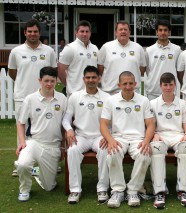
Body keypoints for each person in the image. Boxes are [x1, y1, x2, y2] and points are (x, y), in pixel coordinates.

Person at [8, 19, 57, 177]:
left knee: (47, 128)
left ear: (39, 32)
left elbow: (53, 72)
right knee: (21, 128)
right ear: (25, 33)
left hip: (44, 97)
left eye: (35, 31)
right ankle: (21, 162)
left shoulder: (48, 51)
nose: (32, 34)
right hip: (22, 96)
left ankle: (50, 161)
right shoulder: (16, 51)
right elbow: (12, 73)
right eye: (29, 31)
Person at [100, 71, 154, 208]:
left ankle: (132, 191)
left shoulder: (144, 100)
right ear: (119, 85)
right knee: (112, 153)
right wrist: (110, 140)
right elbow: (103, 124)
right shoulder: (111, 101)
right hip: (119, 138)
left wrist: (146, 141)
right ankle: (117, 191)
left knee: (145, 155)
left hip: (138, 139)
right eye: (125, 84)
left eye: (131, 83)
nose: (128, 86)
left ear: (136, 84)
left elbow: (150, 124)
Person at [15, 67, 67, 202]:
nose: (49, 84)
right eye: (46, 81)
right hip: (34, 142)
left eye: (52, 81)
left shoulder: (62, 99)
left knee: (49, 187)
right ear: (40, 81)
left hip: (53, 146)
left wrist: (62, 146)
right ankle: (24, 190)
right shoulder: (30, 99)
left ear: (56, 81)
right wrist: (22, 142)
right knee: (22, 164)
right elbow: (20, 123)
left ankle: (36, 171)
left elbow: (64, 125)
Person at [62, 66, 110, 204]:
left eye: (94, 77)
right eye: (88, 78)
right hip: (80, 136)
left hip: (99, 137)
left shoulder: (106, 97)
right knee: (72, 150)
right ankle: (75, 190)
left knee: (104, 150)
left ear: (99, 79)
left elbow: (111, 121)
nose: (91, 80)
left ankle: (102, 188)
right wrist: (69, 130)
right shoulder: (75, 97)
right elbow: (66, 118)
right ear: (83, 79)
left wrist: (108, 137)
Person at [150, 72, 186, 209]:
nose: (168, 88)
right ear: (160, 86)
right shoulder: (153, 103)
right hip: (160, 135)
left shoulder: (182, 103)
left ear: (175, 85)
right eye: (165, 85)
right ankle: (159, 192)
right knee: (156, 148)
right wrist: (153, 135)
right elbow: (151, 126)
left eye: (170, 85)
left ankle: (183, 191)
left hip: (177, 135)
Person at [97, 20, 146, 95]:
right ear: (116, 32)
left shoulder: (138, 48)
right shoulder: (106, 47)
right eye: (120, 29)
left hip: (132, 92)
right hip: (110, 92)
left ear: (129, 32)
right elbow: (100, 68)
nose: (123, 31)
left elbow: (142, 69)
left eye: (125, 29)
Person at [58, 20, 98, 97]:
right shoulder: (70, 48)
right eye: (82, 31)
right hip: (75, 93)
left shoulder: (95, 48)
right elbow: (60, 70)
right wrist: (69, 85)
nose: (84, 34)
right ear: (76, 32)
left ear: (90, 33)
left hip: (92, 92)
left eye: (87, 31)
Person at [145, 19, 181, 100]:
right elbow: (148, 71)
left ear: (169, 32)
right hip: (153, 92)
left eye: (165, 30)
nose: (163, 33)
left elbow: (179, 70)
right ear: (156, 32)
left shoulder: (177, 50)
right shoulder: (149, 50)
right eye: (160, 30)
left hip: (170, 91)